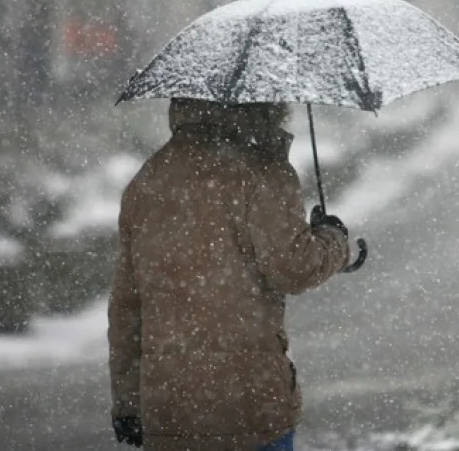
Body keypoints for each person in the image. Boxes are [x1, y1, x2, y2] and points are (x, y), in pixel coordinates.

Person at [108, 98, 351, 450]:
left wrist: (128, 402)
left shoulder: (148, 179)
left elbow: (127, 307)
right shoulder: (264, 172)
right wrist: (333, 240)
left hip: (169, 411)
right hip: (250, 407)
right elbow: (295, 268)